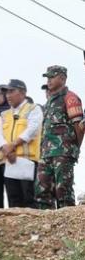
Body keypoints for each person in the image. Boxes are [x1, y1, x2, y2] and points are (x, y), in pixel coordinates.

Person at [35, 66, 84, 209]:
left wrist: (75, 148)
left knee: (63, 191)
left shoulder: (70, 97)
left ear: (62, 78)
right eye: (47, 77)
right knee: (42, 190)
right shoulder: (49, 100)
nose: (48, 80)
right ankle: (46, 226)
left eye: (52, 77)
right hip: (46, 153)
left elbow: (79, 127)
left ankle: (67, 228)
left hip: (63, 152)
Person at [0, 79, 42, 208]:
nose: (8, 95)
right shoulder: (4, 114)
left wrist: (13, 145)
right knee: (13, 199)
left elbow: (32, 130)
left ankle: (31, 227)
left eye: (11, 91)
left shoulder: (33, 109)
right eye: (6, 92)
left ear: (22, 93)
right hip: (9, 160)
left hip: (27, 161)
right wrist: (6, 149)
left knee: (29, 198)